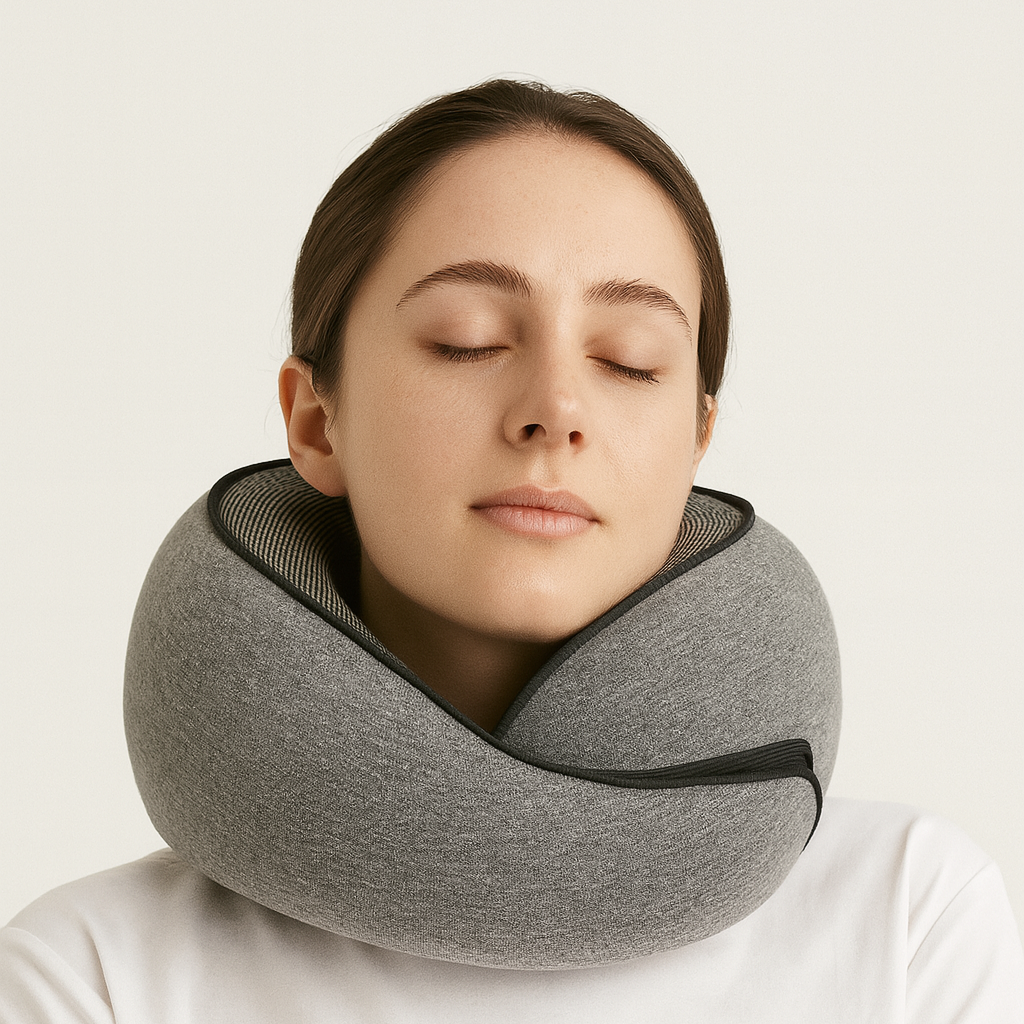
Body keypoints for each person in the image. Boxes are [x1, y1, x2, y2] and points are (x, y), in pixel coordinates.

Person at [1, 79, 1021, 1023]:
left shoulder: (908, 921)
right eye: (467, 339)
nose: (556, 410)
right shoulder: (90, 976)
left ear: (696, 441)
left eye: (630, 360)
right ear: (316, 421)